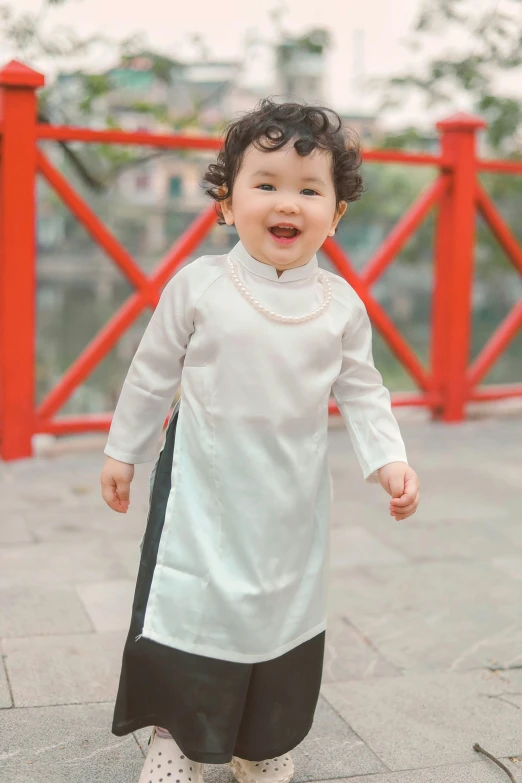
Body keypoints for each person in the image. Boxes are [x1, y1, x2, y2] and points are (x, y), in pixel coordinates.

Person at [100, 99, 420, 783]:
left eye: (310, 190)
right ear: (226, 201)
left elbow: (362, 390)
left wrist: (388, 458)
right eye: (266, 183)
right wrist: (123, 450)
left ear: (335, 217)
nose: (288, 203)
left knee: (280, 613)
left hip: (290, 496)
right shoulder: (200, 286)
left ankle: (261, 739)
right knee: (194, 605)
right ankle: (177, 736)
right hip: (201, 487)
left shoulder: (340, 305)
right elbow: (152, 373)